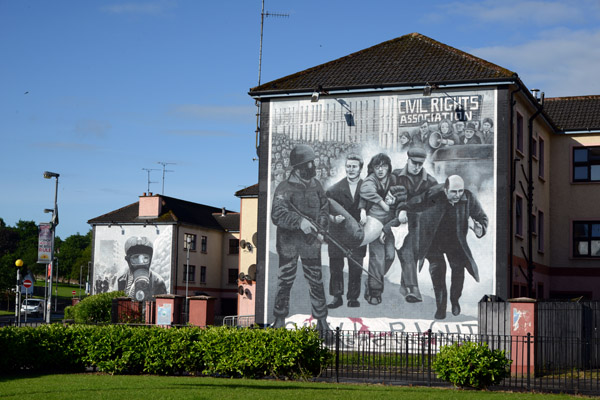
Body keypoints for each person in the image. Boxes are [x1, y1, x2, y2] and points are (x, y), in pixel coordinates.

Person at [405, 175, 488, 319]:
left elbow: (482, 217)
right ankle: (441, 307)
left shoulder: (468, 198)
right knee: (437, 272)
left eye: (460, 191)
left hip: (454, 241)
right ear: (445, 189)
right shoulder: (433, 194)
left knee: (458, 271)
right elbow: (414, 203)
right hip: (433, 240)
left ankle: (455, 300)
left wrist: (477, 227)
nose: (457, 195)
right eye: (453, 192)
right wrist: (402, 209)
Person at [271, 144, 329, 330]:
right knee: (285, 281)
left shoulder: (317, 185)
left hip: (311, 243)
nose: (313, 166)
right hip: (288, 244)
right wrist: (299, 222)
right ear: (299, 166)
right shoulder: (284, 187)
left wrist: (321, 229)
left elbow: (324, 209)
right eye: (309, 163)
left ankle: (321, 321)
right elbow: (277, 214)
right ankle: (279, 320)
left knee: (316, 281)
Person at [390, 146, 438, 303]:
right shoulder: (395, 176)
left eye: (420, 164)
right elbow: (389, 199)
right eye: (414, 163)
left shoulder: (430, 181)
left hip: (419, 224)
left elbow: (434, 205)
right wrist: (399, 211)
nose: (417, 167)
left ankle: (406, 286)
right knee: (408, 251)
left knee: (413, 252)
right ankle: (413, 289)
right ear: (408, 160)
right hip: (396, 220)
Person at [359, 153, 402, 305]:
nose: (380, 170)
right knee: (377, 257)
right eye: (377, 167)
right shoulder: (370, 180)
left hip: (390, 222)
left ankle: (373, 279)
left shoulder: (394, 179)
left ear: (388, 167)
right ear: (373, 168)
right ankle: (375, 292)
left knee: (389, 256)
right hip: (375, 220)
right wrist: (380, 203)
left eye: (384, 166)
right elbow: (365, 192)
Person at [325, 154, 366, 308]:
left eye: (354, 166)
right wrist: (333, 219)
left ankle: (353, 298)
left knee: (356, 267)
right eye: (348, 166)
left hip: (357, 235)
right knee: (336, 266)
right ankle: (337, 297)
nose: (351, 169)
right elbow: (324, 212)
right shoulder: (334, 189)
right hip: (337, 233)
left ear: (360, 168)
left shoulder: (367, 188)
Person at [117, 236, 167, 302]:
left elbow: (161, 305)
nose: (141, 262)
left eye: (145, 258)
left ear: (150, 259)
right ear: (128, 260)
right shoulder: (122, 280)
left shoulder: (158, 281)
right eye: (135, 258)